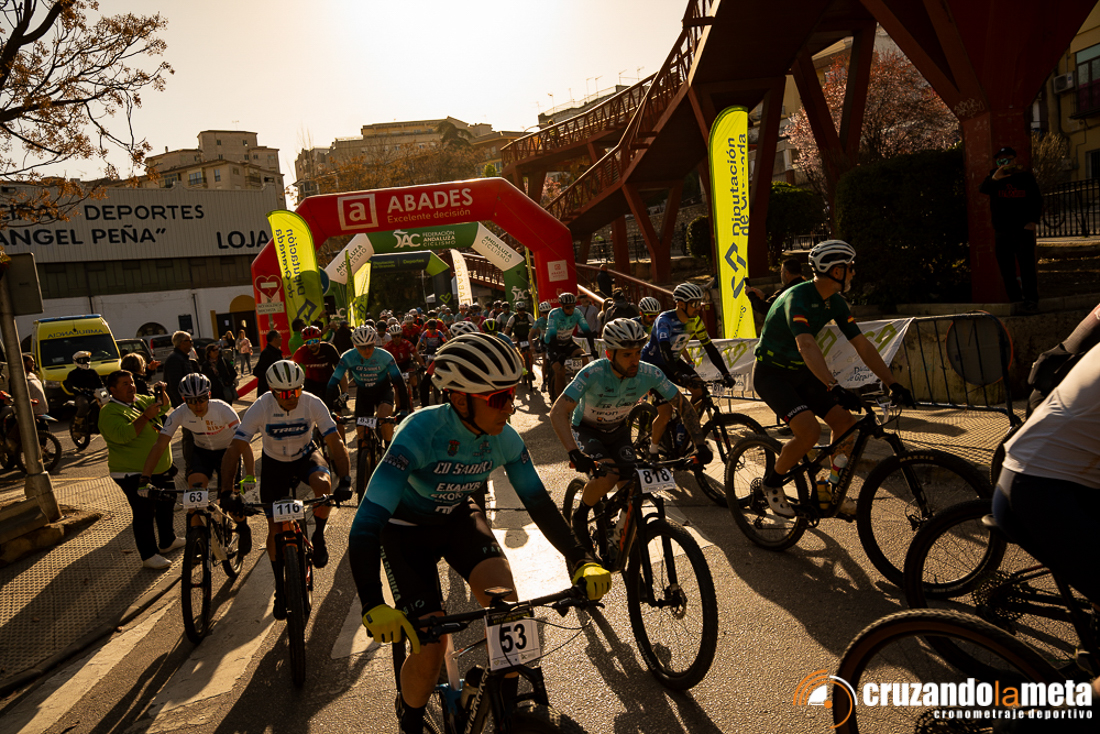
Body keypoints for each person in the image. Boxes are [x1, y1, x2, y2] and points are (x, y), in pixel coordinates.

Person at [348, 333, 611, 734]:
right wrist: (372, 602)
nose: (510, 406)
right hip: (405, 531)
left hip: (458, 520)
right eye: (498, 398)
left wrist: (582, 559)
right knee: (431, 647)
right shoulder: (419, 432)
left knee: (510, 615)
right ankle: (412, 720)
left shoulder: (505, 438)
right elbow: (366, 523)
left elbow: (539, 504)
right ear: (460, 399)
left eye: (512, 394)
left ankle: (505, 714)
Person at [752, 240, 914, 518]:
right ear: (836, 271)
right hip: (772, 374)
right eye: (851, 267)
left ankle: (827, 488)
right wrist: (833, 385)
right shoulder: (796, 297)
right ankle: (771, 483)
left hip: (801, 372)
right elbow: (806, 345)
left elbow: (862, 345)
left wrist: (893, 383)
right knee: (809, 432)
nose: (854, 272)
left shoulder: (835, 302)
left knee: (845, 422)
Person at [550, 319, 711, 546]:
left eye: (637, 352)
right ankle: (580, 515)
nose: (634, 360)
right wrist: (573, 452)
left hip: (618, 430)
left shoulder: (649, 373)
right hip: (587, 430)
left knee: (632, 486)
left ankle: (618, 537)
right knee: (609, 476)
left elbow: (683, 406)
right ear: (609, 354)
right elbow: (558, 411)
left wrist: (700, 445)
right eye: (627, 355)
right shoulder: (593, 372)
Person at [221, 361, 352, 618]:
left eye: (296, 390)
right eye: (285, 393)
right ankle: (280, 586)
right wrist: (226, 491)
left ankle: (318, 536)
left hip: (305, 456)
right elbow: (234, 449)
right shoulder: (261, 406)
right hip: (275, 464)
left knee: (323, 485)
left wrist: (345, 479)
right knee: (275, 528)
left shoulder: (312, 402)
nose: (292, 397)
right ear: (272, 391)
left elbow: (335, 441)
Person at [141, 373, 255, 555]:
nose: (198, 405)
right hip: (202, 454)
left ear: (209, 395)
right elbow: (160, 445)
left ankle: (242, 527)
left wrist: (250, 475)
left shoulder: (223, 409)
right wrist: (145, 478)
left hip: (228, 453)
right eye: (192, 401)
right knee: (194, 499)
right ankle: (195, 542)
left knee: (230, 500)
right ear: (184, 400)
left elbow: (244, 444)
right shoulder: (180, 413)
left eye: (202, 399)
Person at [640, 282, 737, 452]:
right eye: (694, 303)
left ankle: (683, 427)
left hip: (673, 360)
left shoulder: (695, 321)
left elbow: (710, 348)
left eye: (699, 302)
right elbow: (664, 350)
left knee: (700, 391)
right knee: (665, 413)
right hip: (653, 363)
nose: (698, 307)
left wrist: (725, 373)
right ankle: (654, 450)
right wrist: (677, 373)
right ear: (680, 304)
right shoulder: (664, 320)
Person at [99, 370, 177, 570]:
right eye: (125, 384)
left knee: (168, 501)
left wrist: (161, 392)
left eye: (132, 382)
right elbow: (122, 435)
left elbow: (164, 406)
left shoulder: (139, 400)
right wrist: (145, 417)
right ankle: (148, 555)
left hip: (159, 469)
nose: (131, 386)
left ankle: (168, 540)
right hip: (132, 472)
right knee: (144, 511)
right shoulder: (109, 412)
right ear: (113, 389)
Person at [979, 145, 1043, 313]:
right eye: (1000, 161)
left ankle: (1031, 300)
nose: (1004, 164)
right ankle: (1016, 300)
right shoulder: (994, 177)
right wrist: (995, 178)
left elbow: (1036, 200)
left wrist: (1032, 222)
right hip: (1002, 230)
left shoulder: (1025, 178)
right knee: (1007, 269)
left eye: (1007, 160)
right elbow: (983, 189)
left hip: (1022, 229)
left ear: (1014, 160)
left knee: (1027, 267)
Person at [327, 325, 408, 445]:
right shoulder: (348, 357)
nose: (367, 350)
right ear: (355, 345)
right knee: (362, 438)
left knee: (384, 419)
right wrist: (330, 409)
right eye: (362, 347)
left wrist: (403, 409)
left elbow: (400, 382)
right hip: (364, 394)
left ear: (374, 342)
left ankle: (389, 449)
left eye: (370, 346)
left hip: (383, 391)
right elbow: (332, 383)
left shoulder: (385, 356)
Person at [543, 293, 597, 399]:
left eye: (573, 306)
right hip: (553, 344)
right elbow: (552, 337)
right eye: (568, 307)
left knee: (583, 357)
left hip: (567, 342)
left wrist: (592, 348)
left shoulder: (577, 313)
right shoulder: (554, 314)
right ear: (562, 306)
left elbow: (587, 332)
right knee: (560, 371)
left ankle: (582, 385)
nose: (571, 310)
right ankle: (560, 400)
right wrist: (559, 354)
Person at [292, 325, 342, 408]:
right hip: (311, 384)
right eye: (309, 342)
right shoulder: (301, 352)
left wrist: (344, 391)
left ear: (319, 339)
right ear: (304, 343)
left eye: (315, 341)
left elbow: (341, 370)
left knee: (335, 410)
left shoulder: (328, 349)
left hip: (330, 382)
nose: (312, 345)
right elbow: (292, 369)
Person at [64, 350, 104, 430]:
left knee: (106, 403)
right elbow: (69, 384)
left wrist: (104, 390)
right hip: (81, 396)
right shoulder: (73, 374)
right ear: (76, 361)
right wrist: (74, 389)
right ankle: (77, 426)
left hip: (95, 394)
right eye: (83, 360)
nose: (86, 362)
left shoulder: (93, 372)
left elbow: (100, 384)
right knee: (84, 405)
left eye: (87, 360)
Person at [253, 330, 283, 396]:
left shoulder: (277, 352)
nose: (281, 339)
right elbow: (256, 371)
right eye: (279, 337)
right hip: (267, 391)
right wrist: (271, 376)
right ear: (275, 339)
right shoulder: (266, 353)